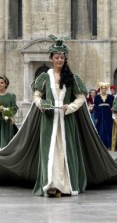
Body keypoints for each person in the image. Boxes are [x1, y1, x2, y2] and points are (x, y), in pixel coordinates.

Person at [31, 34, 88, 197]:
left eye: (62, 57)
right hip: (49, 121)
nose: (59, 60)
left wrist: (69, 107)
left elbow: (81, 97)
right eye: (57, 57)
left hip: (66, 121)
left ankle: (65, 186)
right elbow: (36, 96)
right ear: (51, 58)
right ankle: (51, 184)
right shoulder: (44, 77)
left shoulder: (72, 77)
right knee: (50, 152)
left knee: (65, 151)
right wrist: (41, 104)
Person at [0, 75, 18, 148]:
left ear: (6, 84)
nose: (0, 84)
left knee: (8, 145)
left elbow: (14, 109)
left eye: (2, 83)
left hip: (7, 124)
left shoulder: (11, 96)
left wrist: (3, 110)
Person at [94, 82, 114, 149]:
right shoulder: (97, 97)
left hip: (108, 114)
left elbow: (113, 106)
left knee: (108, 129)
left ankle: (109, 145)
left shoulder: (111, 97)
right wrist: (96, 116)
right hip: (100, 114)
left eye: (105, 88)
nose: (104, 90)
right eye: (102, 88)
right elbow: (95, 107)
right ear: (100, 89)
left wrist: (113, 115)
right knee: (100, 129)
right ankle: (101, 145)